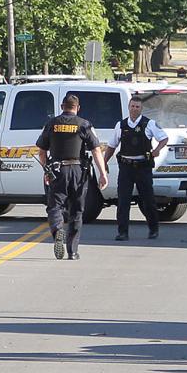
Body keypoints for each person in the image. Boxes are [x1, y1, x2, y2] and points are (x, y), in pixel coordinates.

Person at [35, 93, 108, 261]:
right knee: (76, 210)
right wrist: (102, 173)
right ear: (78, 108)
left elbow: (42, 150)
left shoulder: (52, 124)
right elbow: (96, 150)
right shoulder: (84, 124)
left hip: (58, 171)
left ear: (62, 107)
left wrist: (46, 170)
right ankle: (72, 251)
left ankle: (57, 230)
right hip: (79, 172)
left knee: (55, 207)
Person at [109, 94, 168, 241]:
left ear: (141, 109)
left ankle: (153, 229)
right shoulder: (121, 125)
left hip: (143, 167)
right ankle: (123, 232)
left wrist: (157, 150)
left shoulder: (149, 124)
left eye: (137, 107)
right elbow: (112, 146)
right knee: (123, 201)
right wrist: (103, 163)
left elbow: (164, 138)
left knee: (148, 200)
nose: (135, 109)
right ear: (128, 107)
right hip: (126, 168)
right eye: (132, 106)